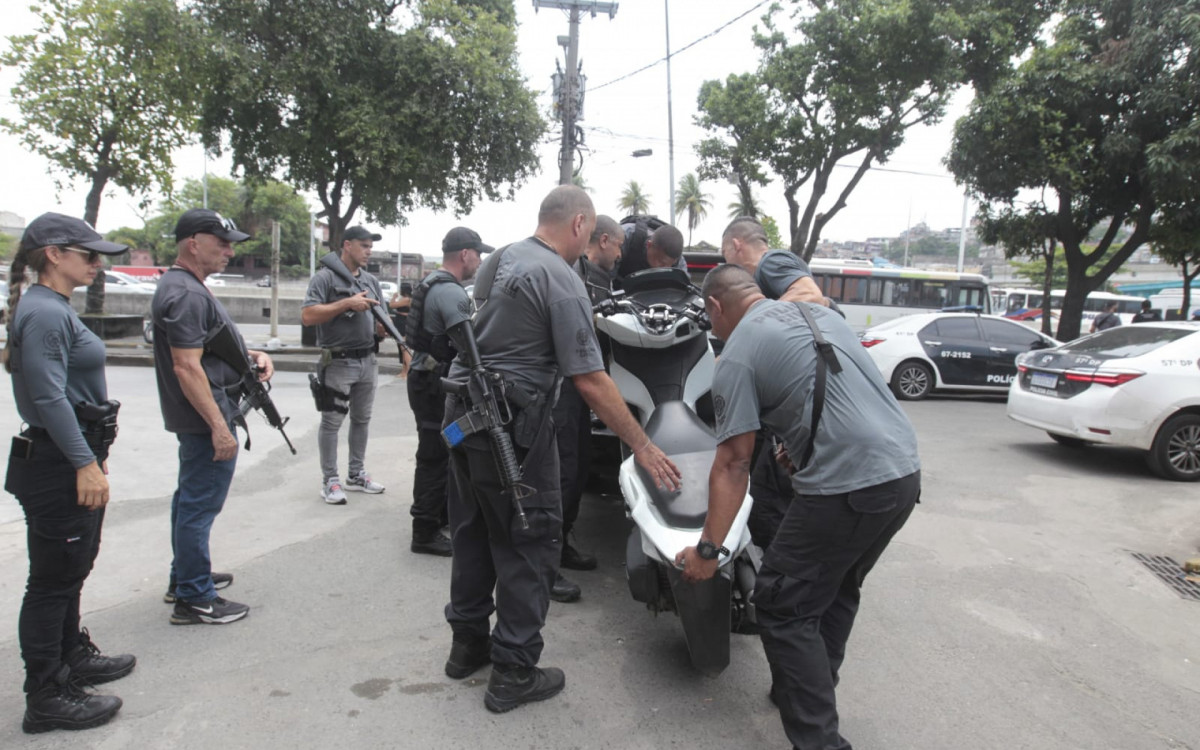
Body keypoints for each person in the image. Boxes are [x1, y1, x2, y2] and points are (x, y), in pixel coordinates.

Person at [441, 185, 681, 714]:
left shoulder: (500, 258)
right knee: (530, 541)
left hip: (462, 418)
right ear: (578, 225)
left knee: (474, 530)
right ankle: (512, 671)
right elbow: (591, 379)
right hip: (512, 428)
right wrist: (641, 445)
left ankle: (466, 646)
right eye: (590, 232)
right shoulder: (562, 280)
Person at [676, 263, 921, 750]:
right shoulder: (822, 316)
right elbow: (842, 390)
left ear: (715, 307)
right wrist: (799, 440)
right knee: (836, 586)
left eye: (712, 322)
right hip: (903, 474)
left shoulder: (737, 354)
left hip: (845, 487)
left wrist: (708, 551)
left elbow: (732, 463)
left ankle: (819, 739)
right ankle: (806, 688)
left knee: (782, 603)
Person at [3, 213, 135, 733]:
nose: (98, 264)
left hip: (69, 455)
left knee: (71, 568)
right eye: (88, 255)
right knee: (53, 580)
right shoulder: (44, 312)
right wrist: (84, 463)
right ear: (54, 255)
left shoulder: (49, 306)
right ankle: (46, 694)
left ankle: (69, 658)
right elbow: (47, 396)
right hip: (60, 461)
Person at [153, 208, 274, 625]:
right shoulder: (186, 292)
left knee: (189, 501)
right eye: (220, 242)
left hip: (200, 418)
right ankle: (194, 598)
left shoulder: (185, 286)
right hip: (205, 420)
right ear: (193, 243)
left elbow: (207, 351)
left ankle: (185, 577)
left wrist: (252, 355)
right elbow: (186, 367)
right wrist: (220, 428)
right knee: (198, 507)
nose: (228, 250)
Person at [405, 227, 490, 557]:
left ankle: (437, 517)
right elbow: (471, 349)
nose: (480, 261)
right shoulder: (450, 293)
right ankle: (424, 530)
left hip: (428, 380)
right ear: (465, 254)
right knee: (435, 454)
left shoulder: (432, 283)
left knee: (445, 448)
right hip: (434, 386)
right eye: (478, 254)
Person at [551, 215, 624, 584]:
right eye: (620, 244)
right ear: (605, 240)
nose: (621, 253)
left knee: (577, 469)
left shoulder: (602, 281)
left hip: (581, 390)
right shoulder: (569, 273)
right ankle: (544, 565)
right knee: (562, 473)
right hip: (562, 388)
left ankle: (559, 545)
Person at [301, 226, 387, 505]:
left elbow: (381, 318)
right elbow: (308, 316)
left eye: (370, 246)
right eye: (364, 246)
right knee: (332, 422)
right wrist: (346, 303)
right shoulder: (324, 278)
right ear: (347, 245)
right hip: (338, 361)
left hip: (367, 359)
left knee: (362, 419)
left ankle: (356, 473)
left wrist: (383, 329)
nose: (369, 251)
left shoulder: (371, 281)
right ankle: (330, 480)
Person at [720, 216, 830, 305]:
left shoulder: (770, 261)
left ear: (736, 245)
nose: (726, 262)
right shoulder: (766, 269)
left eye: (725, 252)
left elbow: (809, 294)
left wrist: (753, 321)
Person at [615, 219, 687, 279]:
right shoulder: (624, 237)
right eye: (661, 262)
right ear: (649, 245)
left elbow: (682, 289)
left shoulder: (679, 262)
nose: (662, 269)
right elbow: (606, 274)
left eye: (668, 265)